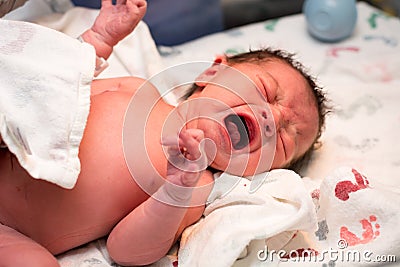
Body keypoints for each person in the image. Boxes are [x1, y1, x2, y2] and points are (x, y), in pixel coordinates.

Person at [0, 0, 328, 266]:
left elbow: (127, 251)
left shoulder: (195, 186)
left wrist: (174, 190)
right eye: (266, 91)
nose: (272, 118)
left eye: (285, 139)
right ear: (213, 72)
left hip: (9, 228)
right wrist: (99, 40)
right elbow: (58, 80)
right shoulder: (138, 91)